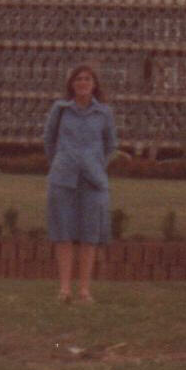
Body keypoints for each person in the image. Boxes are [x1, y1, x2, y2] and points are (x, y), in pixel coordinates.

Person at [43, 63, 117, 304]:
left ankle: (84, 290)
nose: (83, 83)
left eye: (87, 79)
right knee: (63, 234)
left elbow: (109, 146)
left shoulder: (104, 113)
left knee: (89, 235)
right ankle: (64, 290)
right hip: (63, 179)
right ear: (71, 85)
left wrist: (93, 164)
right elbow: (49, 141)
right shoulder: (61, 110)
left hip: (93, 181)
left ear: (94, 84)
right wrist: (63, 162)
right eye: (78, 79)